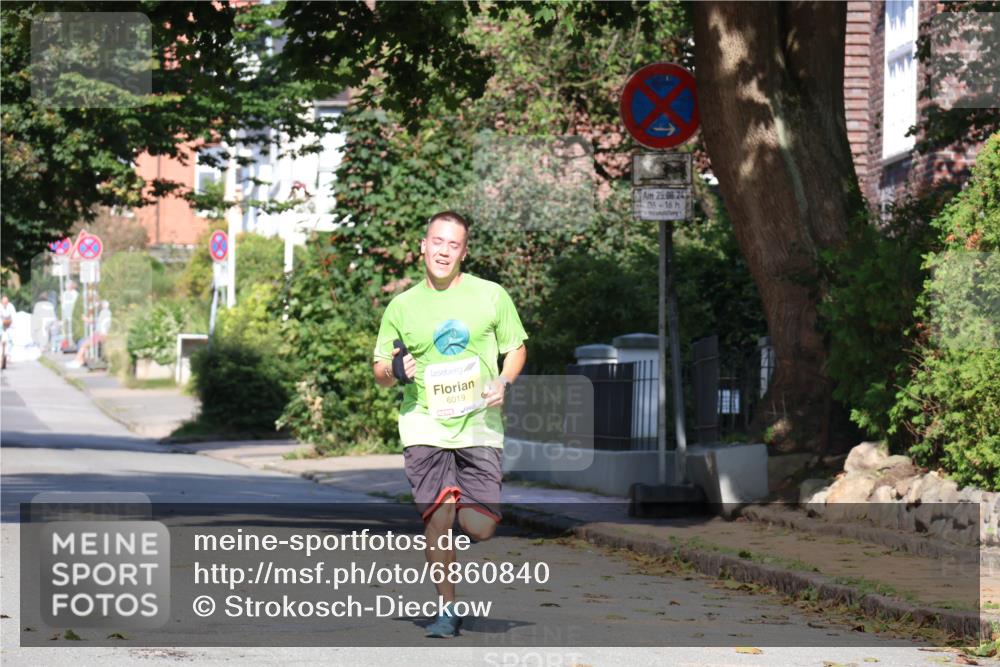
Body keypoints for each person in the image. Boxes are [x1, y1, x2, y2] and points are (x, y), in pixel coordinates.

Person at [372, 211, 527, 638]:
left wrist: (503, 379)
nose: (443, 251)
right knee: (438, 518)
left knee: (480, 526)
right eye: (437, 242)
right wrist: (396, 371)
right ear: (423, 245)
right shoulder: (402, 306)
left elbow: (515, 349)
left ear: (464, 252)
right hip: (424, 423)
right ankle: (447, 608)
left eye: (453, 244)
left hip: (479, 424)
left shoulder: (491, 296)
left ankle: (462, 500)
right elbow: (380, 370)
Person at [65, 300, 111, 369]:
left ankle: (78, 361)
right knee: (83, 344)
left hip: (100, 335)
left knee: (84, 344)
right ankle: (79, 360)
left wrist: (87, 320)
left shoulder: (104, 313)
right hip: (100, 334)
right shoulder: (107, 313)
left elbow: (98, 322)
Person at [1, 295, 16, 370]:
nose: (4, 304)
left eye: (6, 302)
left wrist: (12, 325)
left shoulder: (11, 307)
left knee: (11, 339)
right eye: (3, 302)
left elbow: (13, 317)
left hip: (10, 324)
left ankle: (9, 355)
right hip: (2, 324)